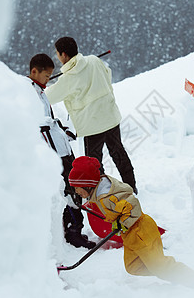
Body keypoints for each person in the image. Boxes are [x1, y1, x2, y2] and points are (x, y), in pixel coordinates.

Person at [68, 156, 194, 288]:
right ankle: (169, 273)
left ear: (88, 184)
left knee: (159, 266)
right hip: (131, 234)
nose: (76, 191)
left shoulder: (107, 196)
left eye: (77, 187)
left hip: (141, 231)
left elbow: (132, 205)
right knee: (133, 267)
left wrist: (122, 222)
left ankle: (192, 279)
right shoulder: (100, 189)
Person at [45, 37, 137, 194]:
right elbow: (108, 75)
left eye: (58, 54)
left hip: (91, 125)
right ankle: (131, 186)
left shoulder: (68, 79)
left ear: (64, 55)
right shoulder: (94, 61)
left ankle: (100, 194)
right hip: (110, 116)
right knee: (118, 152)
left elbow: (47, 97)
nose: (57, 57)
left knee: (93, 162)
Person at [28, 53, 96, 249]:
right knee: (69, 189)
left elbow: (50, 120)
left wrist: (63, 131)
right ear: (34, 71)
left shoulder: (39, 91)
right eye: (46, 76)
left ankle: (76, 228)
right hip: (54, 152)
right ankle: (72, 231)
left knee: (75, 185)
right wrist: (52, 152)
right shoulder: (29, 93)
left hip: (61, 147)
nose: (48, 81)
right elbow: (40, 126)